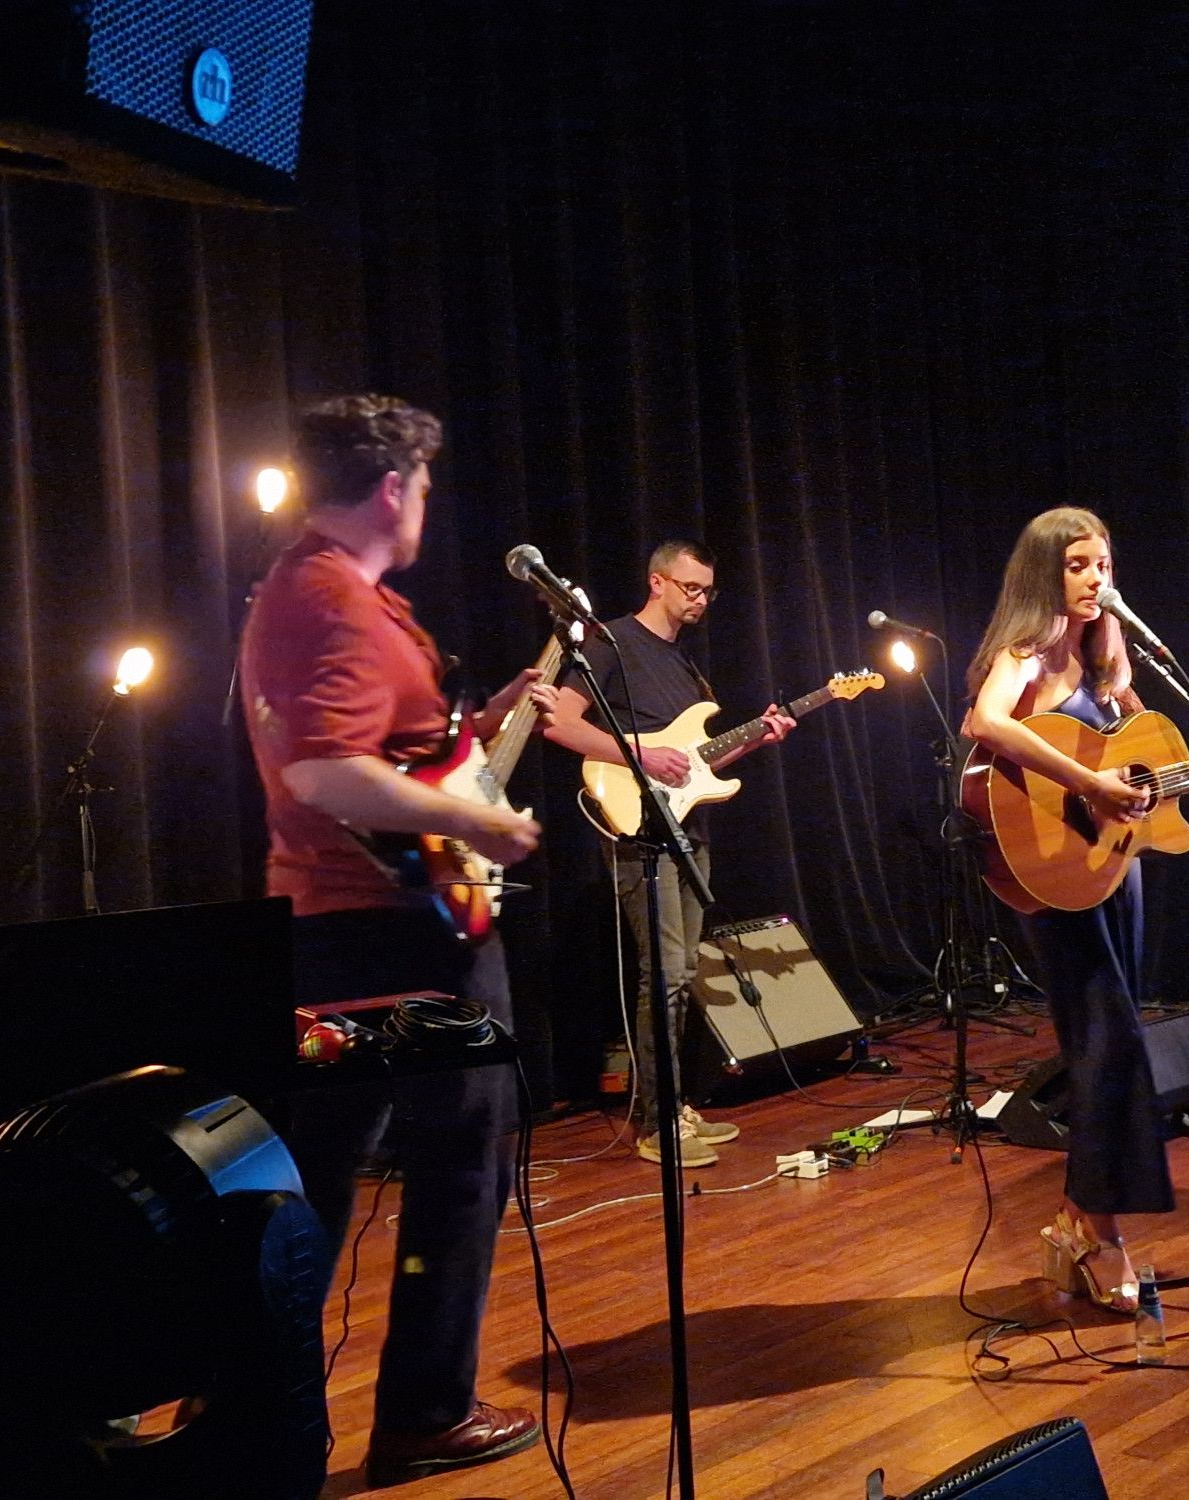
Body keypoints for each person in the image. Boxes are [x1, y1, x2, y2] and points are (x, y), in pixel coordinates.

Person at [239, 394, 544, 1488]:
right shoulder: (333, 602)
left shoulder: (316, 587)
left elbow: (390, 750)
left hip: (346, 930)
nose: (424, 503)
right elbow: (327, 770)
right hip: (395, 938)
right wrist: (483, 822)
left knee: (317, 1174)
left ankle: (241, 1409)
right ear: (389, 488)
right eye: (421, 486)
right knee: (461, 1161)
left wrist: (479, 731)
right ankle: (422, 1411)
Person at [530, 540, 795, 1167]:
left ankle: (674, 1107)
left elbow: (697, 766)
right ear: (658, 582)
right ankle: (654, 1122)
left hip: (687, 828)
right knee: (666, 974)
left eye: (708, 591)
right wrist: (639, 753)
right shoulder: (610, 641)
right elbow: (558, 723)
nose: (701, 600)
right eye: (691, 588)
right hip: (635, 824)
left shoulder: (686, 668)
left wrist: (760, 737)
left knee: (681, 975)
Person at [962, 506, 1166, 1315]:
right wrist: (1088, 785)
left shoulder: (1110, 672)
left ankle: (1081, 1225)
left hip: (1113, 872)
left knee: (1113, 1044)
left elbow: (1145, 774)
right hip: (1050, 876)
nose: (1094, 580)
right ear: (1047, 573)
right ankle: (1101, 1235)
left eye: (1103, 564)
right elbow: (986, 720)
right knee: (1105, 1042)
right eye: (1079, 565)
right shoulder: (1027, 652)